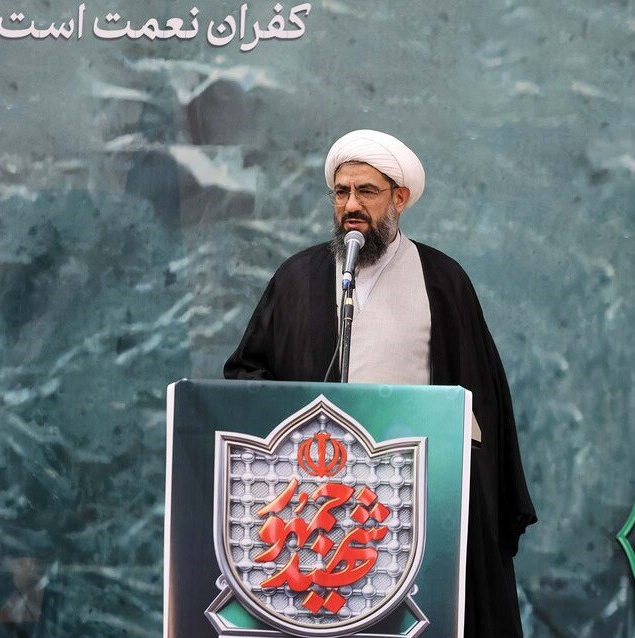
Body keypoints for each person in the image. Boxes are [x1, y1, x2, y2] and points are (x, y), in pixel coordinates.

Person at [224, 129, 537, 638]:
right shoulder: (296, 278)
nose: (351, 205)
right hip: (310, 513)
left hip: (410, 507)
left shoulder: (442, 280)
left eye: (367, 191)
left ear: (400, 198)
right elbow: (246, 377)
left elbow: (481, 402)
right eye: (342, 192)